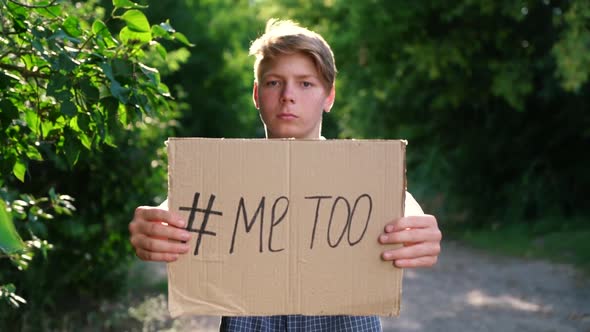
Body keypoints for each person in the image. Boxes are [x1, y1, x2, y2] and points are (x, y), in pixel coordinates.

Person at [129, 19, 442, 332]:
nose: (288, 95)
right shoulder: (231, 169)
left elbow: (396, 198)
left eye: (305, 83)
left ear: (329, 97)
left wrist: (418, 225)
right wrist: (155, 224)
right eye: (273, 82)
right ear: (256, 94)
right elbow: (189, 202)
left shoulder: (354, 168)